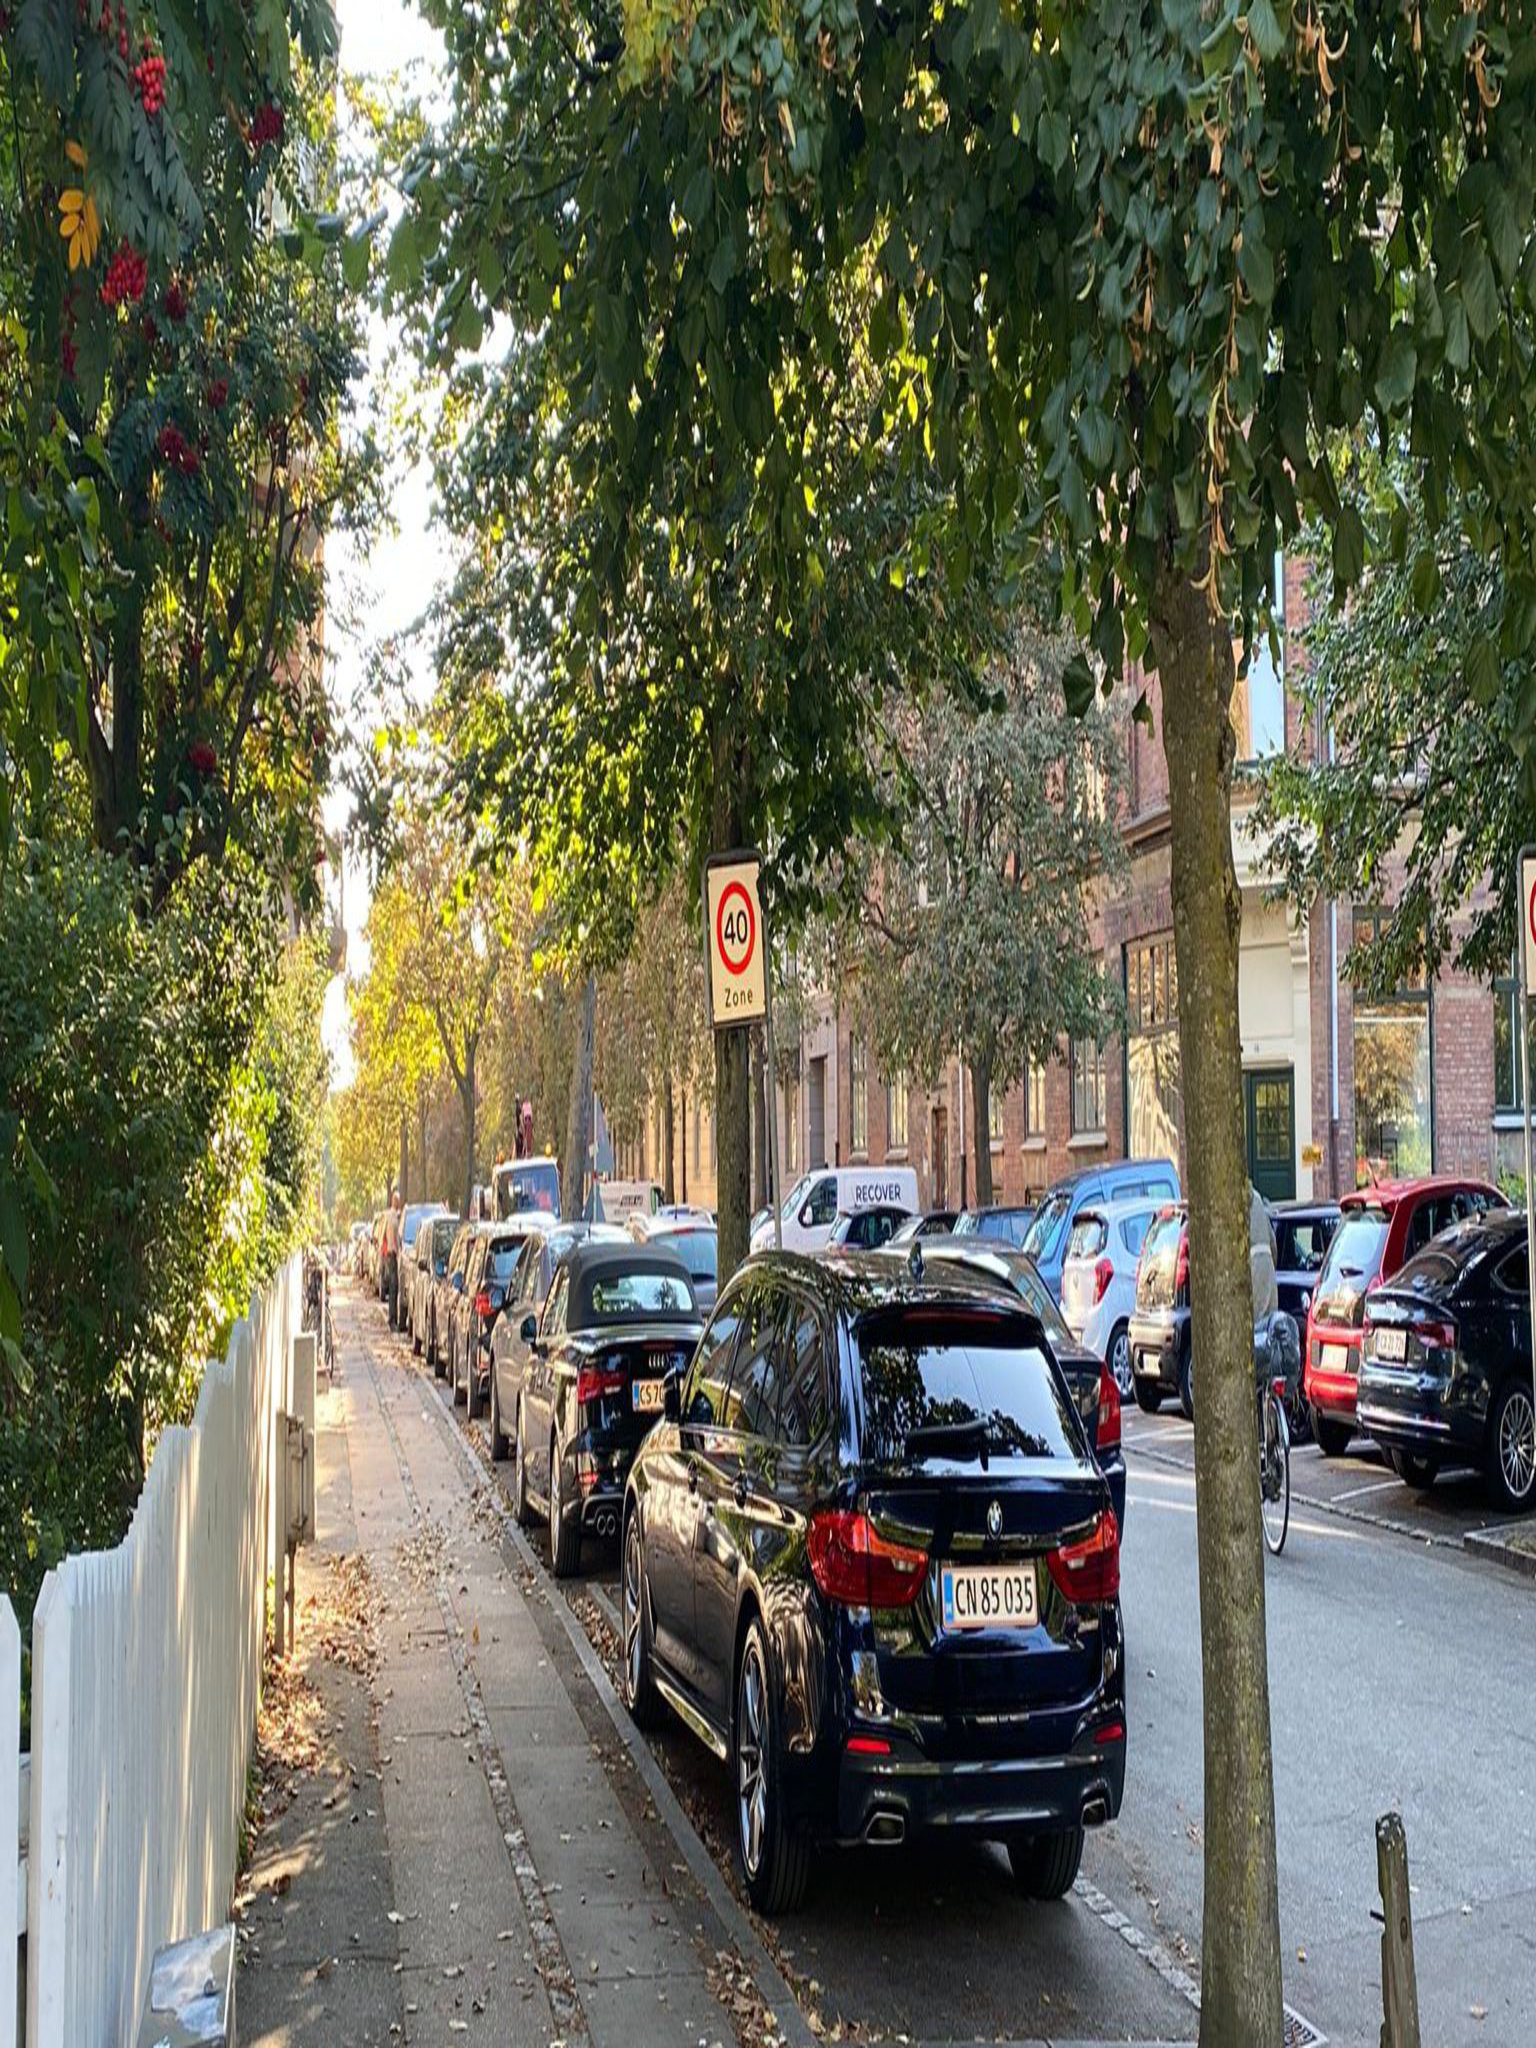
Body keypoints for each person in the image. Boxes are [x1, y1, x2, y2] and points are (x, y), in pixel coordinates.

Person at [380, 1191, 403, 1330]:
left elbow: (384, 1236)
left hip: (391, 1254)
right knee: (394, 1288)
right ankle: (392, 1320)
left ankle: (394, 1319)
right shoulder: (393, 1217)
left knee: (394, 1288)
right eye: (397, 1200)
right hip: (392, 1255)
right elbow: (392, 1237)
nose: (397, 1202)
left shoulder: (393, 1216)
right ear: (395, 1201)